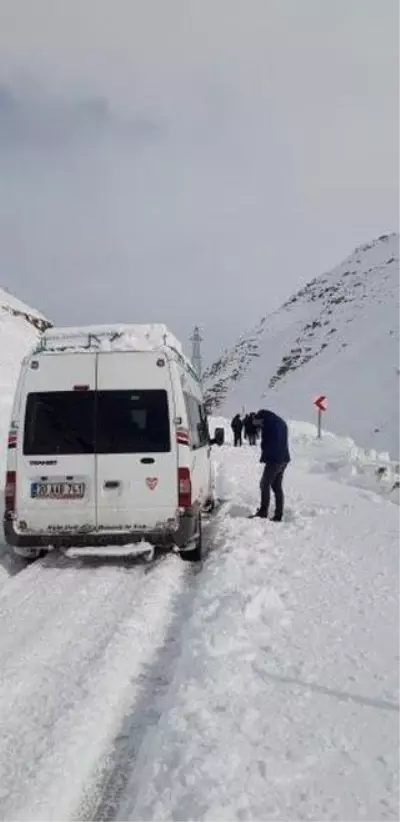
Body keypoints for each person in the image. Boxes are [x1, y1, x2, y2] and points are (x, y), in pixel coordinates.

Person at [250, 409, 290, 521]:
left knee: (264, 484)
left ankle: (263, 512)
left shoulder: (269, 424)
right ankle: (278, 514)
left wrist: (266, 456)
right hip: (284, 459)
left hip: (274, 460)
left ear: (261, 419)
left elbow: (267, 443)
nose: (258, 426)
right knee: (276, 486)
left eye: (258, 423)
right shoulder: (280, 422)